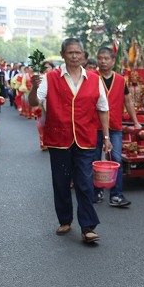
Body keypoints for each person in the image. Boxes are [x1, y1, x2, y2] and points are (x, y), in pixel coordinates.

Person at [28, 38, 112, 244]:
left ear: (83, 55)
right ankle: (65, 220)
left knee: (84, 182)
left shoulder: (94, 78)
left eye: (78, 53)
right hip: (58, 138)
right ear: (63, 54)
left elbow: (103, 108)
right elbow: (33, 103)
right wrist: (33, 88)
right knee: (61, 181)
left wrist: (107, 136)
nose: (74, 56)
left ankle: (88, 226)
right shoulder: (50, 78)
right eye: (70, 53)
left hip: (85, 138)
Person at [94, 46, 143, 207]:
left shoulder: (121, 80)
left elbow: (128, 101)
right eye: (100, 58)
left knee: (116, 160)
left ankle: (116, 195)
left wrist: (136, 121)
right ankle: (96, 192)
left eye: (106, 58)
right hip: (93, 126)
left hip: (115, 125)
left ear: (113, 61)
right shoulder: (92, 77)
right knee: (93, 160)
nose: (103, 61)